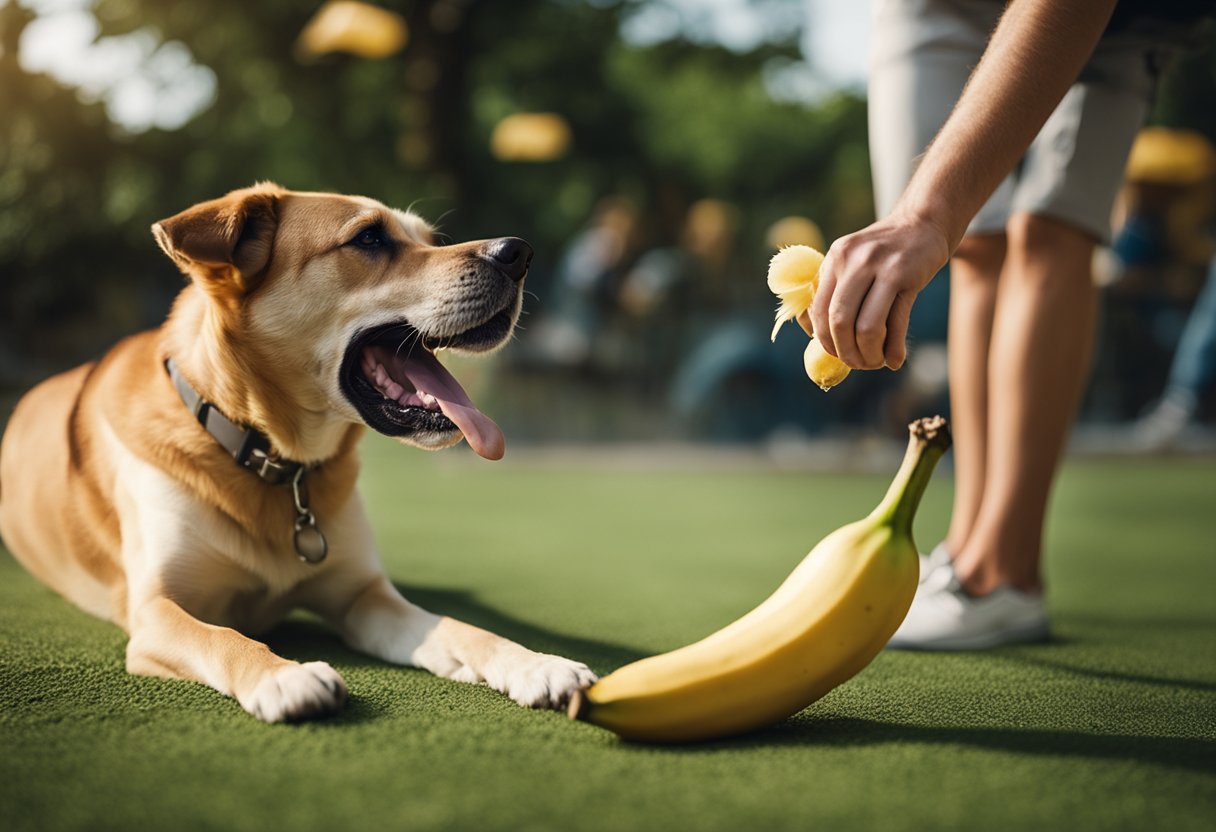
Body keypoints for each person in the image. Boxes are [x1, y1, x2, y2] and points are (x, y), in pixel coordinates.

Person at [798, 0, 1211, 649]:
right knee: (974, 247)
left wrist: (925, 214)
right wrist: (939, 222)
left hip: (1114, 17)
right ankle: (966, 548)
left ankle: (1006, 571)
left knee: (1051, 228)